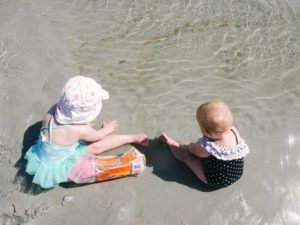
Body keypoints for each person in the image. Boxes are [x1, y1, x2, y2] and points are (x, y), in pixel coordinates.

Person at [25, 76, 148, 189]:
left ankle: (132, 139)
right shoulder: (80, 130)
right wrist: (106, 130)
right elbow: (96, 137)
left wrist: (79, 123)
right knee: (97, 156)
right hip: (60, 169)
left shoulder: (53, 110)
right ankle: (130, 162)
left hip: (46, 155)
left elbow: (66, 126)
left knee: (92, 147)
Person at [159, 100, 249, 190]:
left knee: (187, 157)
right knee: (209, 157)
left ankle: (170, 143)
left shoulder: (209, 146)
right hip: (236, 173)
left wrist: (188, 147)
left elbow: (192, 150)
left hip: (216, 181)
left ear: (205, 131)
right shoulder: (233, 131)